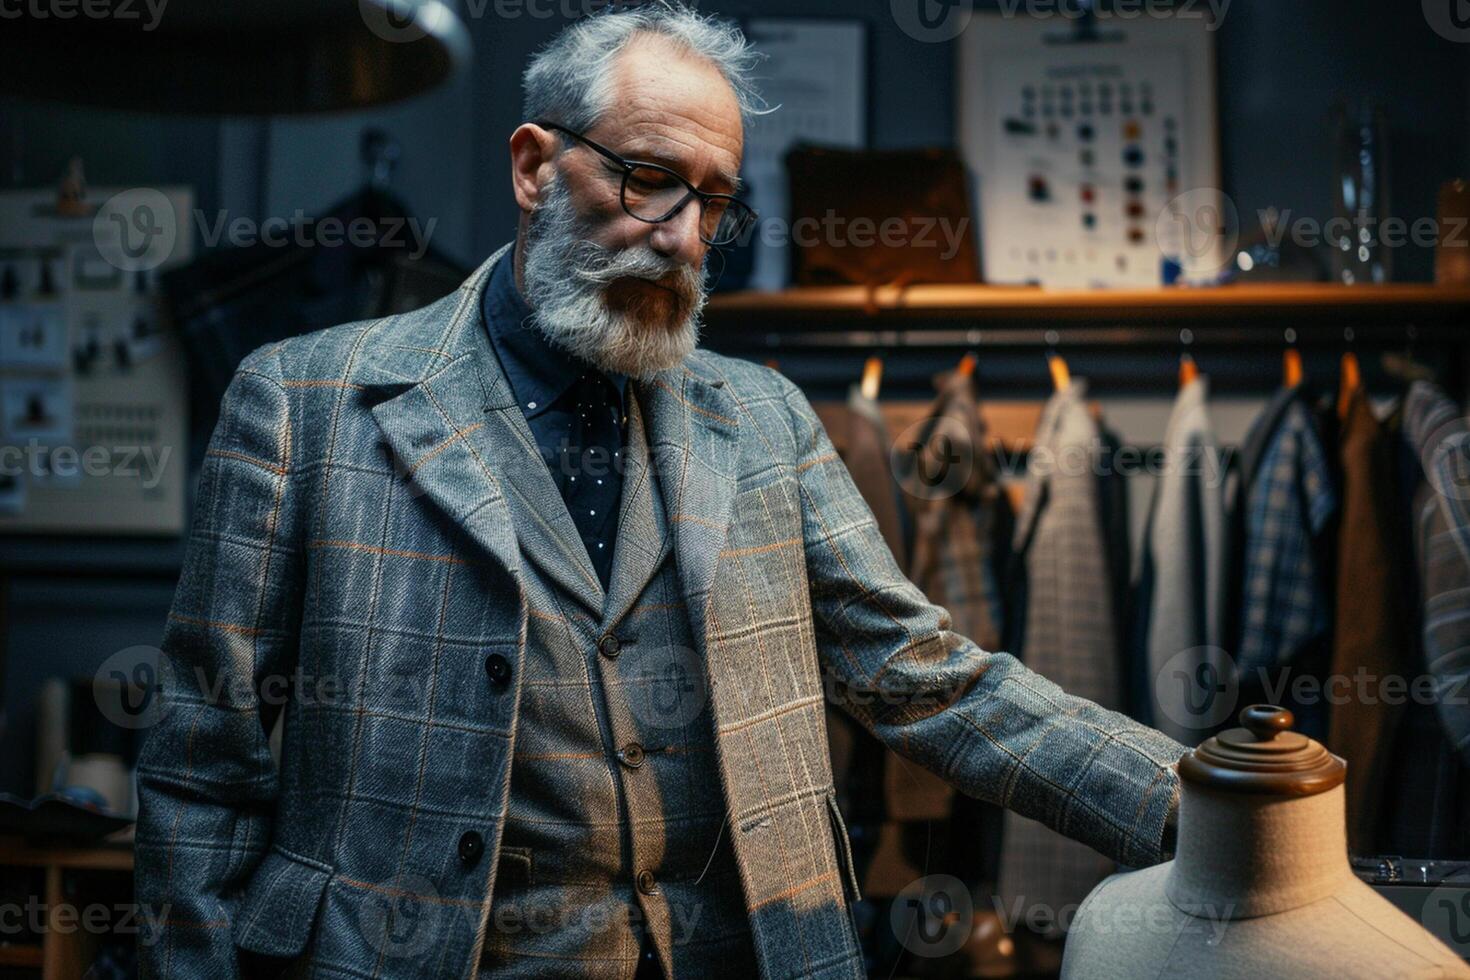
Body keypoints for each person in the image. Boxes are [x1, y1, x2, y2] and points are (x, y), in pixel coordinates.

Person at [134, 3, 1185, 978]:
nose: (682, 236)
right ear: (535, 166)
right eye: (645, 178)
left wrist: (1209, 797)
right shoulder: (307, 401)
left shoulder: (766, 419)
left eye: (714, 201)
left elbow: (928, 676)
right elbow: (199, 764)